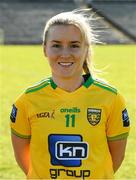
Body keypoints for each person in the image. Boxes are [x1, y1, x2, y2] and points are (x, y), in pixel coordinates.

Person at [10, 9, 130, 179]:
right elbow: (23, 157)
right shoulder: (26, 101)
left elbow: (116, 157)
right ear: (45, 49)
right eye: (56, 45)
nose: (65, 54)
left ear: (86, 49)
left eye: (74, 45)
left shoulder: (111, 98)